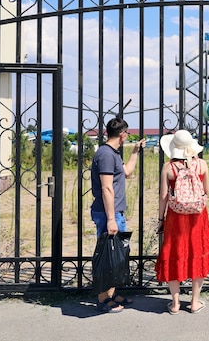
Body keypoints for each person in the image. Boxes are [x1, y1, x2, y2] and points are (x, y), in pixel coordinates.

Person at [155, 129, 209, 315]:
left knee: (173, 252)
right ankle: (194, 302)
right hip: (198, 217)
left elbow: (163, 196)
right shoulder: (202, 165)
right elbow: (207, 191)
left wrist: (161, 219)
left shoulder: (169, 168)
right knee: (197, 251)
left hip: (176, 216)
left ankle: (175, 304)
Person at [90, 117, 146, 313]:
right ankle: (103, 299)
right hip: (108, 214)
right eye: (127, 134)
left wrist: (134, 152)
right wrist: (112, 219)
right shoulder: (105, 154)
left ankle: (110, 294)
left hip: (113, 213)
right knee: (108, 257)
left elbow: (127, 172)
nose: (127, 136)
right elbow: (106, 188)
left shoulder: (112, 153)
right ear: (122, 134)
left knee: (116, 256)